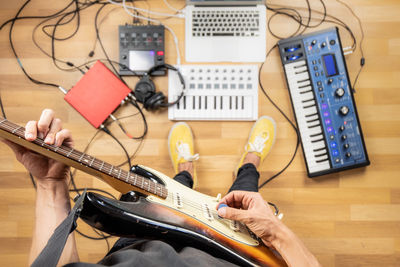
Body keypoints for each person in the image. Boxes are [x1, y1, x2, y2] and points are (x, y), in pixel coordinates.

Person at [2, 109, 321, 267]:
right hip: (243, 255)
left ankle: (185, 169)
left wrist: (50, 184)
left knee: (174, 188)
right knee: (247, 189)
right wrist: (277, 233)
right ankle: (250, 160)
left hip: (143, 235)